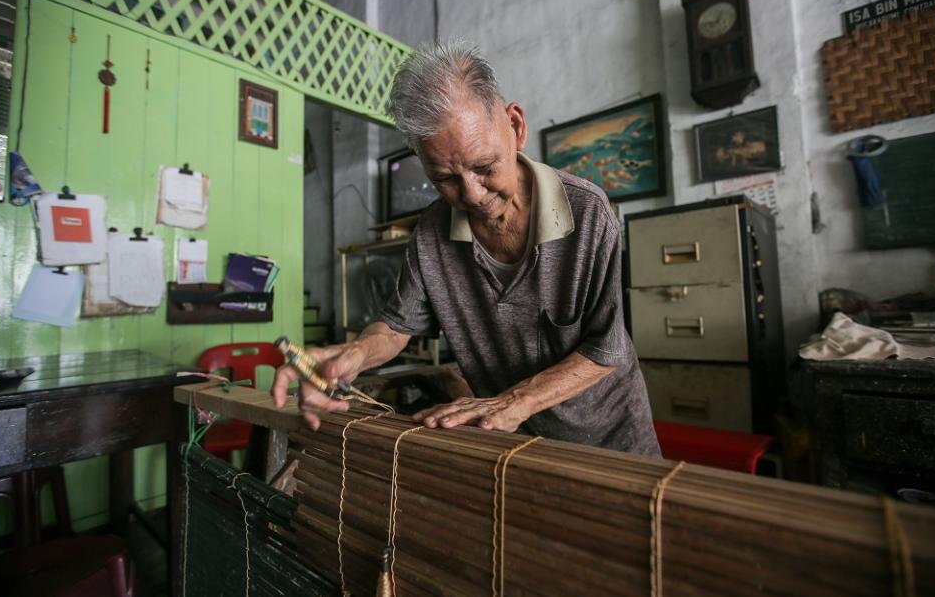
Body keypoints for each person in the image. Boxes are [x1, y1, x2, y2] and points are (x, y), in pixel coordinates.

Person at [271, 40, 660, 454]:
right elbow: (396, 327)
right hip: (511, 446)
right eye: (445, 179)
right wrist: (352, 354)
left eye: (484, 166)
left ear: (515, 126)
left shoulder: (588, 212)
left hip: (611, 441)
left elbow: (606, 348)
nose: (472, 194)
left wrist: (514, 400)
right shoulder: (431, 233)